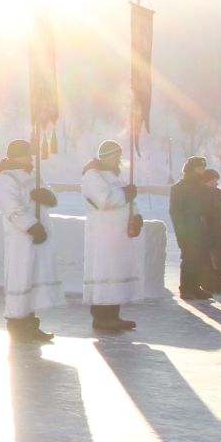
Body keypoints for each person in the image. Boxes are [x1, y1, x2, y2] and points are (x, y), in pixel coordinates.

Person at [0, 139, 61, 343]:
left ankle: (31, 324)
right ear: (16, 155)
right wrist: (31, 225)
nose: (31, 157)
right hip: (21, 239)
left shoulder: (34, 175)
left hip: (38, 238)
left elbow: (52, 197)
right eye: (27, 153)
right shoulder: (6, 179)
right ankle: (17, 325)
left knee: (32, 280)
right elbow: (12, 208)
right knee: (20, 279)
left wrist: (47, 196)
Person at [79, 140, 140, 332]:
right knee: (105, 274)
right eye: (116, 156)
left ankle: (113, 315)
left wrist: (136, 215)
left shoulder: (114, 177)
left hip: (118, 236)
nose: (119, 160)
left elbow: (128, 200)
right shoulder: (93, 176)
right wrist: (126, 194)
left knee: (115, 274)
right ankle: (101, 317)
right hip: (103, 235)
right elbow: (104, 200)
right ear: (107, 156)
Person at [169, 156, 213, 300]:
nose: (202, 170)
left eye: (203, 167)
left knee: (199, 259)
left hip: (201, 229)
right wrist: (181, 234)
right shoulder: (179, 188)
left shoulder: (202, 187)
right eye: (199, 167)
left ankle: (195, 287)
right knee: (189, 258)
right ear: (191, 169)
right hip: (187, 229)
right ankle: (186, 288)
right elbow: (175, 212)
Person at [197, 167, 221, 299]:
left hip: (219, 232)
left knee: (219, 261)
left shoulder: (217, 195)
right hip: (207, 232)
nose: (215, 185)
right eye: (212, 182)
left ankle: (218, 286)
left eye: (216, 182)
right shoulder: (205, 195)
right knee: (208, 261)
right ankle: (208, 286)